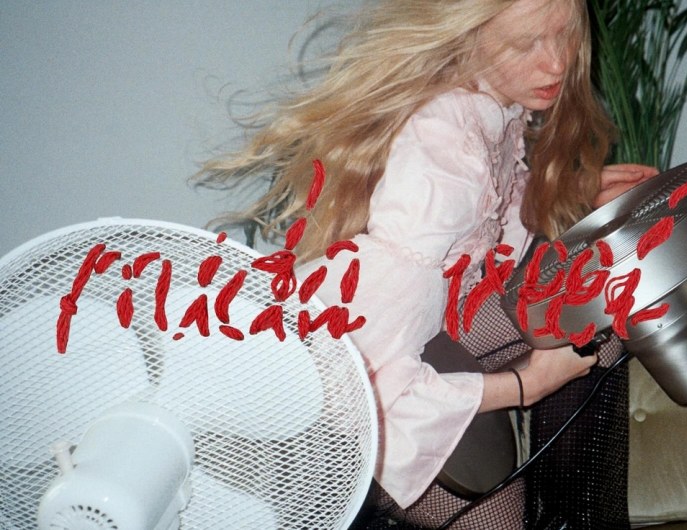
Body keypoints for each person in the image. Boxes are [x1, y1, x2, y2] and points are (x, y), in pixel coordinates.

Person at [200, 0, 657, 526]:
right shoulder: (444, 150)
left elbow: (491, 219)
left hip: (427, 353)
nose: (556, 63)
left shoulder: (488, 108)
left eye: (565, 36)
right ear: (469, 37)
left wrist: (573, 191)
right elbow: (378, 385)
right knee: (590, 305)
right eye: (526, 44)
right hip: (350, 423)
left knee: (594, 309)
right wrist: (527, 385)